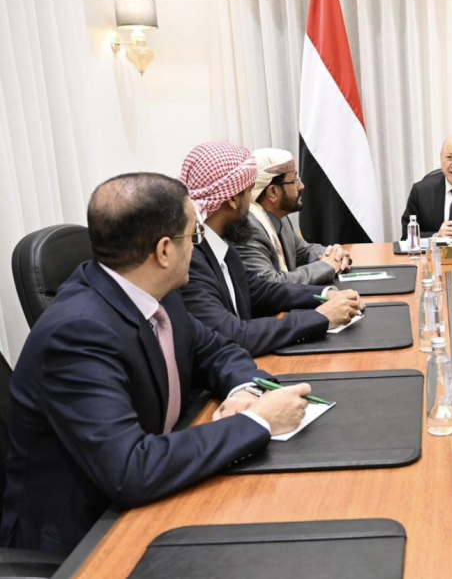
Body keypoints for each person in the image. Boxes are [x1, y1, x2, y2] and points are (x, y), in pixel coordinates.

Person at [0, 173, 313, 555]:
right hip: (88, 541)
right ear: (164, 251)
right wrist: (258, 421)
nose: (197, 247)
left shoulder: (153, 291)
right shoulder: (77, 333)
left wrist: (243, 392)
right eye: (193, 236)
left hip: (153, 496)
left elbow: (217, 351)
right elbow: (131, 469)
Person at [177, 142, 363, 356]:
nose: (252, 201)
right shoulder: (191, 260)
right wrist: (321, 317)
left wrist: (325, 294)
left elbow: (261, 291)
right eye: (249, 191)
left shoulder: (220, 245)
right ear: (233, 199)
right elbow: (234, 335)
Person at [236, 148, 352, 285]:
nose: (301, 186)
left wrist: (334, 255)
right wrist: (326, 266)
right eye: (294, 181)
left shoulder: (279, 218)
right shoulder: (248, 228)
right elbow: (272, 283)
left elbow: (303, 251)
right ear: (273, 192)